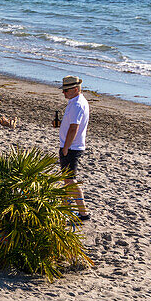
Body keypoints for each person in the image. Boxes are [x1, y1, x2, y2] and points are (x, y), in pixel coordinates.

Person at [58, 75, 90, 221]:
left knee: (70, 180)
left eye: (66, 90)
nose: (63, 93)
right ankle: (67, 209)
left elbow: (74, 128)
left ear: (75, 89)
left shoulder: (78, 104)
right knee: (67, 180)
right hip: (71, 146)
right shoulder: (75, 102)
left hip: (72, 147)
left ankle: (83, 213)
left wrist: (66, 148)